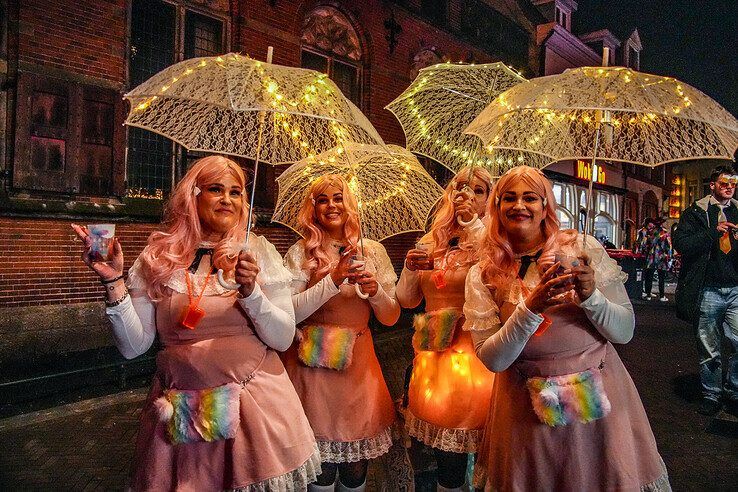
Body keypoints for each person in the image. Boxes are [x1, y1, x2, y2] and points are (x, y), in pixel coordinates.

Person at [72, 155, 319, 491]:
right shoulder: (159, 256)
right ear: (194, 195)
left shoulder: (257, 252)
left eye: (236, 192)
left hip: (256, 410)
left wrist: (251, 292)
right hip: (181, 414)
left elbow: (282, 338)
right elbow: (134, 347)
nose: (227, 199)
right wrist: (113, 281)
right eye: (216, 189)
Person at [463, 166, 670, 491]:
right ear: (497, 207)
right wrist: (531, 308)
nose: (519, 205)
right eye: (509, 198)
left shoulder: (581, 249)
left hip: (598, 404)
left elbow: (624, 331)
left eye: (530, 197)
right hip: (524, 409)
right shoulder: (483, 272)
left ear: (546, 205)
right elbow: (493, 359)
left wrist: (591, 297)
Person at [282, 174, 401, 492]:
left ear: (350, 204)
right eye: (322, 199)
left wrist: (375, 291)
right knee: (319, 465)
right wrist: (331, 280)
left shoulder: (372, 251)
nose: (331, 205)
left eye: (338, 197)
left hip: (358, 368)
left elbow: (390, 318)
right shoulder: (300, 252)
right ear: (314, 208)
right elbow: (289, 313)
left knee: (354, 463)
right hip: (311, 368)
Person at [396, 166, 495, 491]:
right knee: (442, 458)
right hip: (431, 358)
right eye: (460, 188)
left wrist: (475, 227)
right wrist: (410, 269)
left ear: (488, 201)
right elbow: (407, 300)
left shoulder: (492, 241)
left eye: (478, 191)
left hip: (472, 362)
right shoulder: (432, 239)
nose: (467, 195)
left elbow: (496, 283)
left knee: (473, 456)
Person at [673, 165, 738, 417]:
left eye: (733, 183)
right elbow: (682, 244)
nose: (729, 187)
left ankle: (733, 389)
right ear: (712, 186)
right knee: (709, 346)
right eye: (724, 183)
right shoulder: (696, 212)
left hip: (735, 289)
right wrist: (714, 232)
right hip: (708, 289)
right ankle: (712, 392)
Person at [636, 218, 673, 302]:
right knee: (661, 278)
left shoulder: (650, 233)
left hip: (651, 256)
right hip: (661, 257)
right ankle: (662, 296)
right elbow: (668, 246)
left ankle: (648, 295)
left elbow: (645, 244)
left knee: (649, 276)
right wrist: (669, 256)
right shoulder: (664, 233)